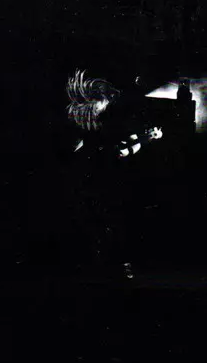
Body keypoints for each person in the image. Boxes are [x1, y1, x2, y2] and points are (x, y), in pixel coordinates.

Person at [66, 69, 162, 279]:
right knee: (105, 227)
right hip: (91, 188)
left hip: (91, 188)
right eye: (105, 106)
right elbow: (118, 151)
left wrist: (143, 138)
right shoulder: (88, 133)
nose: (108, 108)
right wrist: (145, 140)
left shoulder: (88, 129)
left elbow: (119, 147)